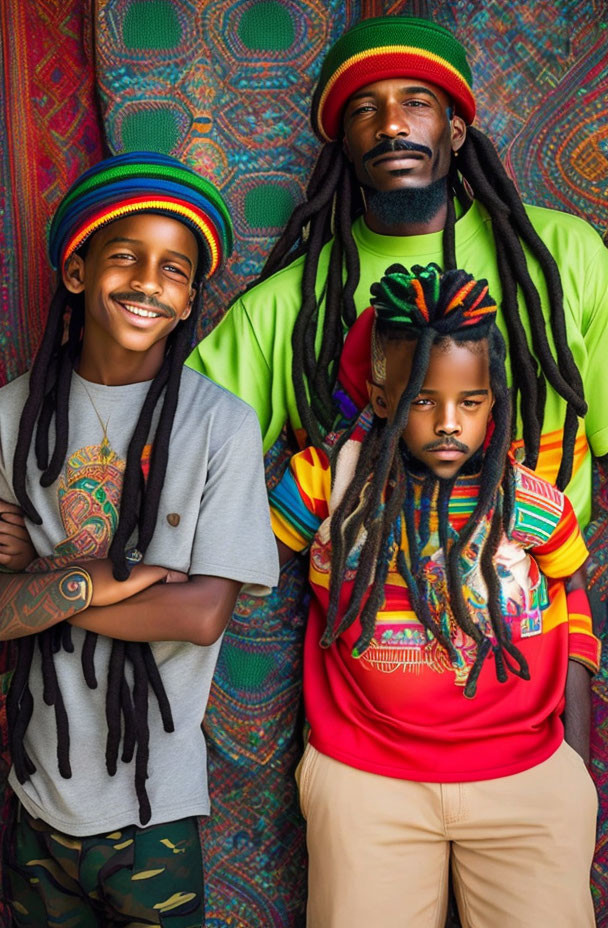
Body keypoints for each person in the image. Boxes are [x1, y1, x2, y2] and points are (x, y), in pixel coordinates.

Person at [185, 16, 608, 919]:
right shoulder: (291, 305)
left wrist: (574, 739)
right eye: (366, 111)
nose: (391, 126)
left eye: (417, 103)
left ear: (457, 129)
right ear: (343, 141)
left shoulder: (561, 259)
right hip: (365, 747)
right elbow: (175, 443)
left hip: (526, 728)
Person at [269, 262, 600, 927]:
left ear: (494, 403)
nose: (449, 422)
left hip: (525, 777)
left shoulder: (530, 502)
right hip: (365, 778)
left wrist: (574, 755)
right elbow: (236, 563)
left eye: (470, 402)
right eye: (423, 398)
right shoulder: (326, 485)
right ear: (385, 397)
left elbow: (573, 592)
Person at [0, 151, 279, 927]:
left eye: (174, 270)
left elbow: (199, 615)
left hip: (154, 805)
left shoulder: (219, 424)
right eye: (126, 257)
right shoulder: (10, 415)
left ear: (190, 300)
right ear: (79, 272)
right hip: (37, 796)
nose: (149, 282)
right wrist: (107, 578)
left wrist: (44, 579)